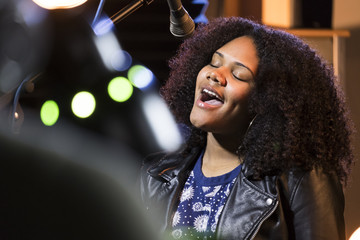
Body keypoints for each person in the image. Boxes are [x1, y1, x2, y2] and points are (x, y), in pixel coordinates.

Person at [139, 17, 354, 240]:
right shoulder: (157, 174)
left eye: (238, 74)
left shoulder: (303, 179)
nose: (215, 74)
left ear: (266, 102)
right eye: (213, 63)